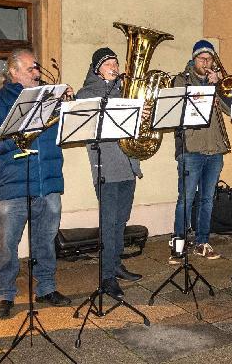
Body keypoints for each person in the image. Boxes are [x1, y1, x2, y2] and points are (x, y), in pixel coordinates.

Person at [0, 48, 71, 319]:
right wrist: (10, 142)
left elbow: (70, 127)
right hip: (11, 184)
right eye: (31, 68)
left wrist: (68, 104)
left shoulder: (50, 99)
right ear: (13, 72)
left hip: (47, 182)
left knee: (46, 240)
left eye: (37, 68)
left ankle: (47, 287)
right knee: (7, 244)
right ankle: (4, 294)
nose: (37, 72)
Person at [74, 47, 143, 298]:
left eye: (116, 62)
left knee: (121, 221)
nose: (114, 66)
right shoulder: (87, 94)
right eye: (108, 64)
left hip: (128, 165)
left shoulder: (125, 91)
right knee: (109, 224)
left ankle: (115, 265)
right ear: (97, 69)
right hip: (106, 167)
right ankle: (106, 277)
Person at [169, 40, 232, 264]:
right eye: (202, 59)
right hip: (191, 149)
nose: (206, 63)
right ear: (193, 60)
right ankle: (178, 244)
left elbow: (231, 109)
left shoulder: (217, 84)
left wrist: (219, 86)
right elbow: (177, 110)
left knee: (207, 199)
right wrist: (208, 87)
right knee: (185, 199)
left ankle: (202, 242)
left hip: (214, 150)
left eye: (209, 59)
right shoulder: (181, 80)